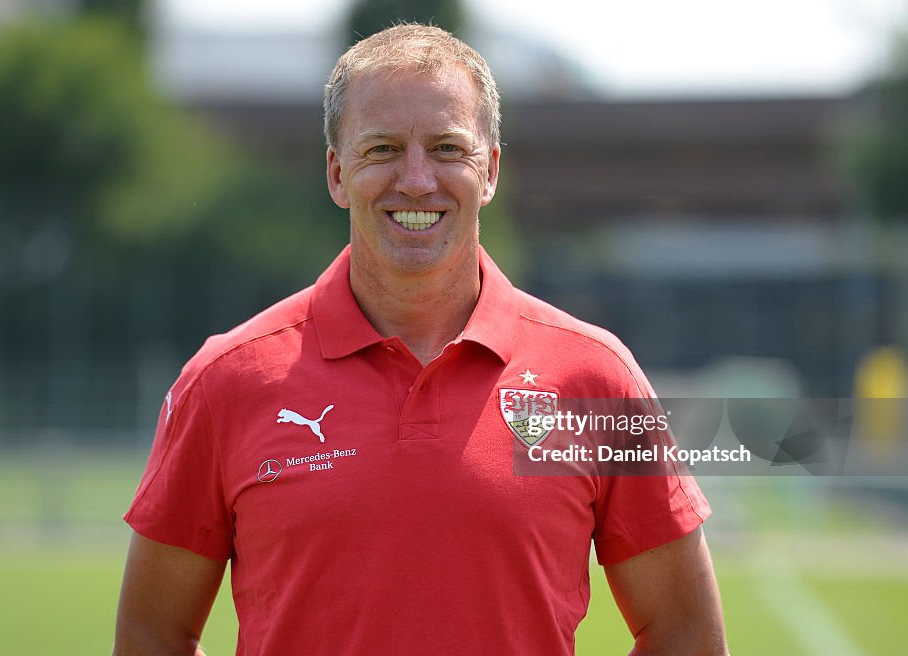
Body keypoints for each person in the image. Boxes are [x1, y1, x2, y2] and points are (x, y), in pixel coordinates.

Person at [113, 23, 729, 656]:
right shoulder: (227, 380)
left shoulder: (595, 377)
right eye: (381, 148)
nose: (415, 180)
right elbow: (151, 634)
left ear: (489, 171)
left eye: (445, 148)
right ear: (336, 172)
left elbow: (685, 632)